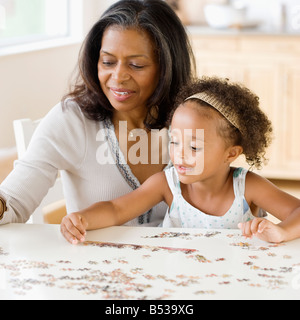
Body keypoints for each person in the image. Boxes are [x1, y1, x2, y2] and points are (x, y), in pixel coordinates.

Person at [0, 0, 195, 225]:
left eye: (136, 65)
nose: (118, 76)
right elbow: (14, 202)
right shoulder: (72, 120)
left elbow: (225, 196)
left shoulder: (193, 119)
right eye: (108, 62)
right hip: (91, 259)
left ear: (167, 67)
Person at [61, 76, 300, 245]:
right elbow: (116, 209)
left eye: (194, 146)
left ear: (231, 153)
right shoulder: (167, 183)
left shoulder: (247, 187)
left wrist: (281, 232)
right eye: (174, 142)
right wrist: (83, 218)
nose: (179, 155)